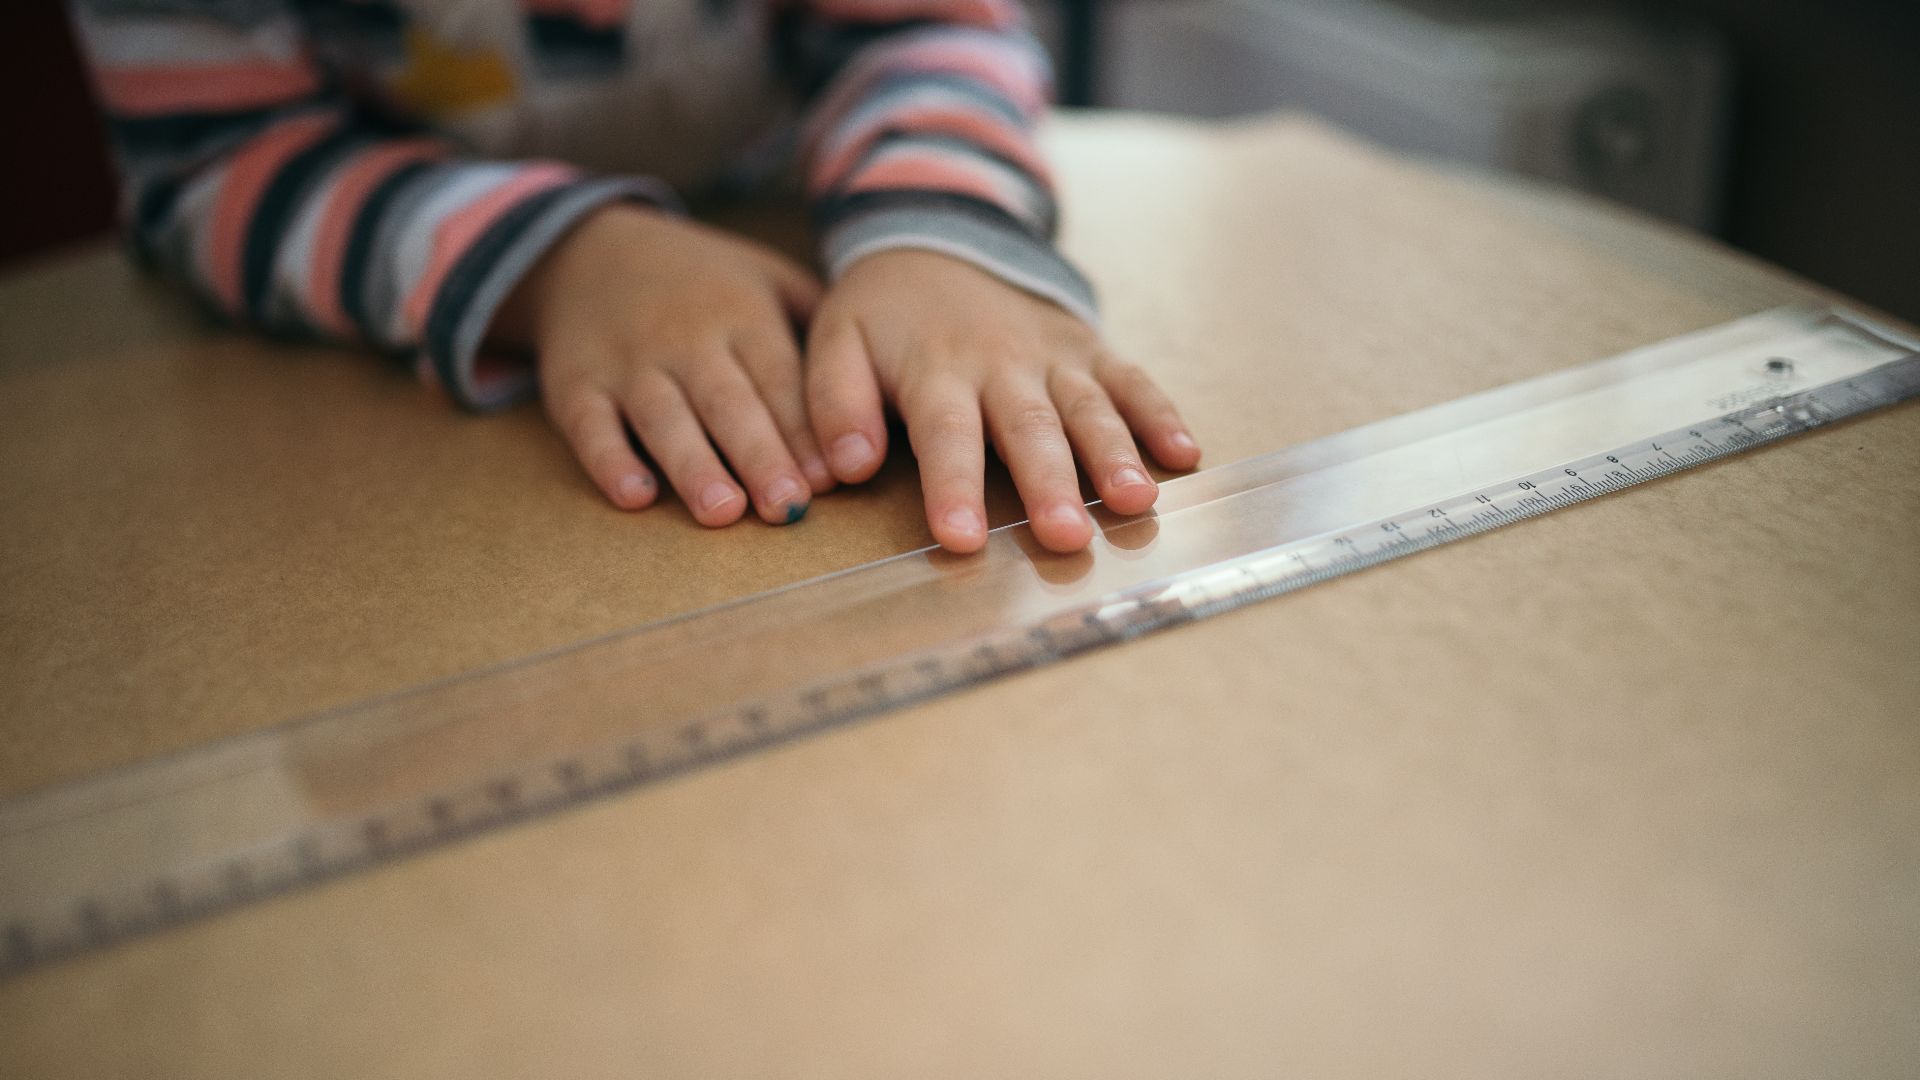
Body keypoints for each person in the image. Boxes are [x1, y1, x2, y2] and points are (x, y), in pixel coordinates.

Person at [66, 0, 1200, 553]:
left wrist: (942, 230)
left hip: (783, 205)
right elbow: (216, 167)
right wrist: (557, 261)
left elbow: (927, 30)